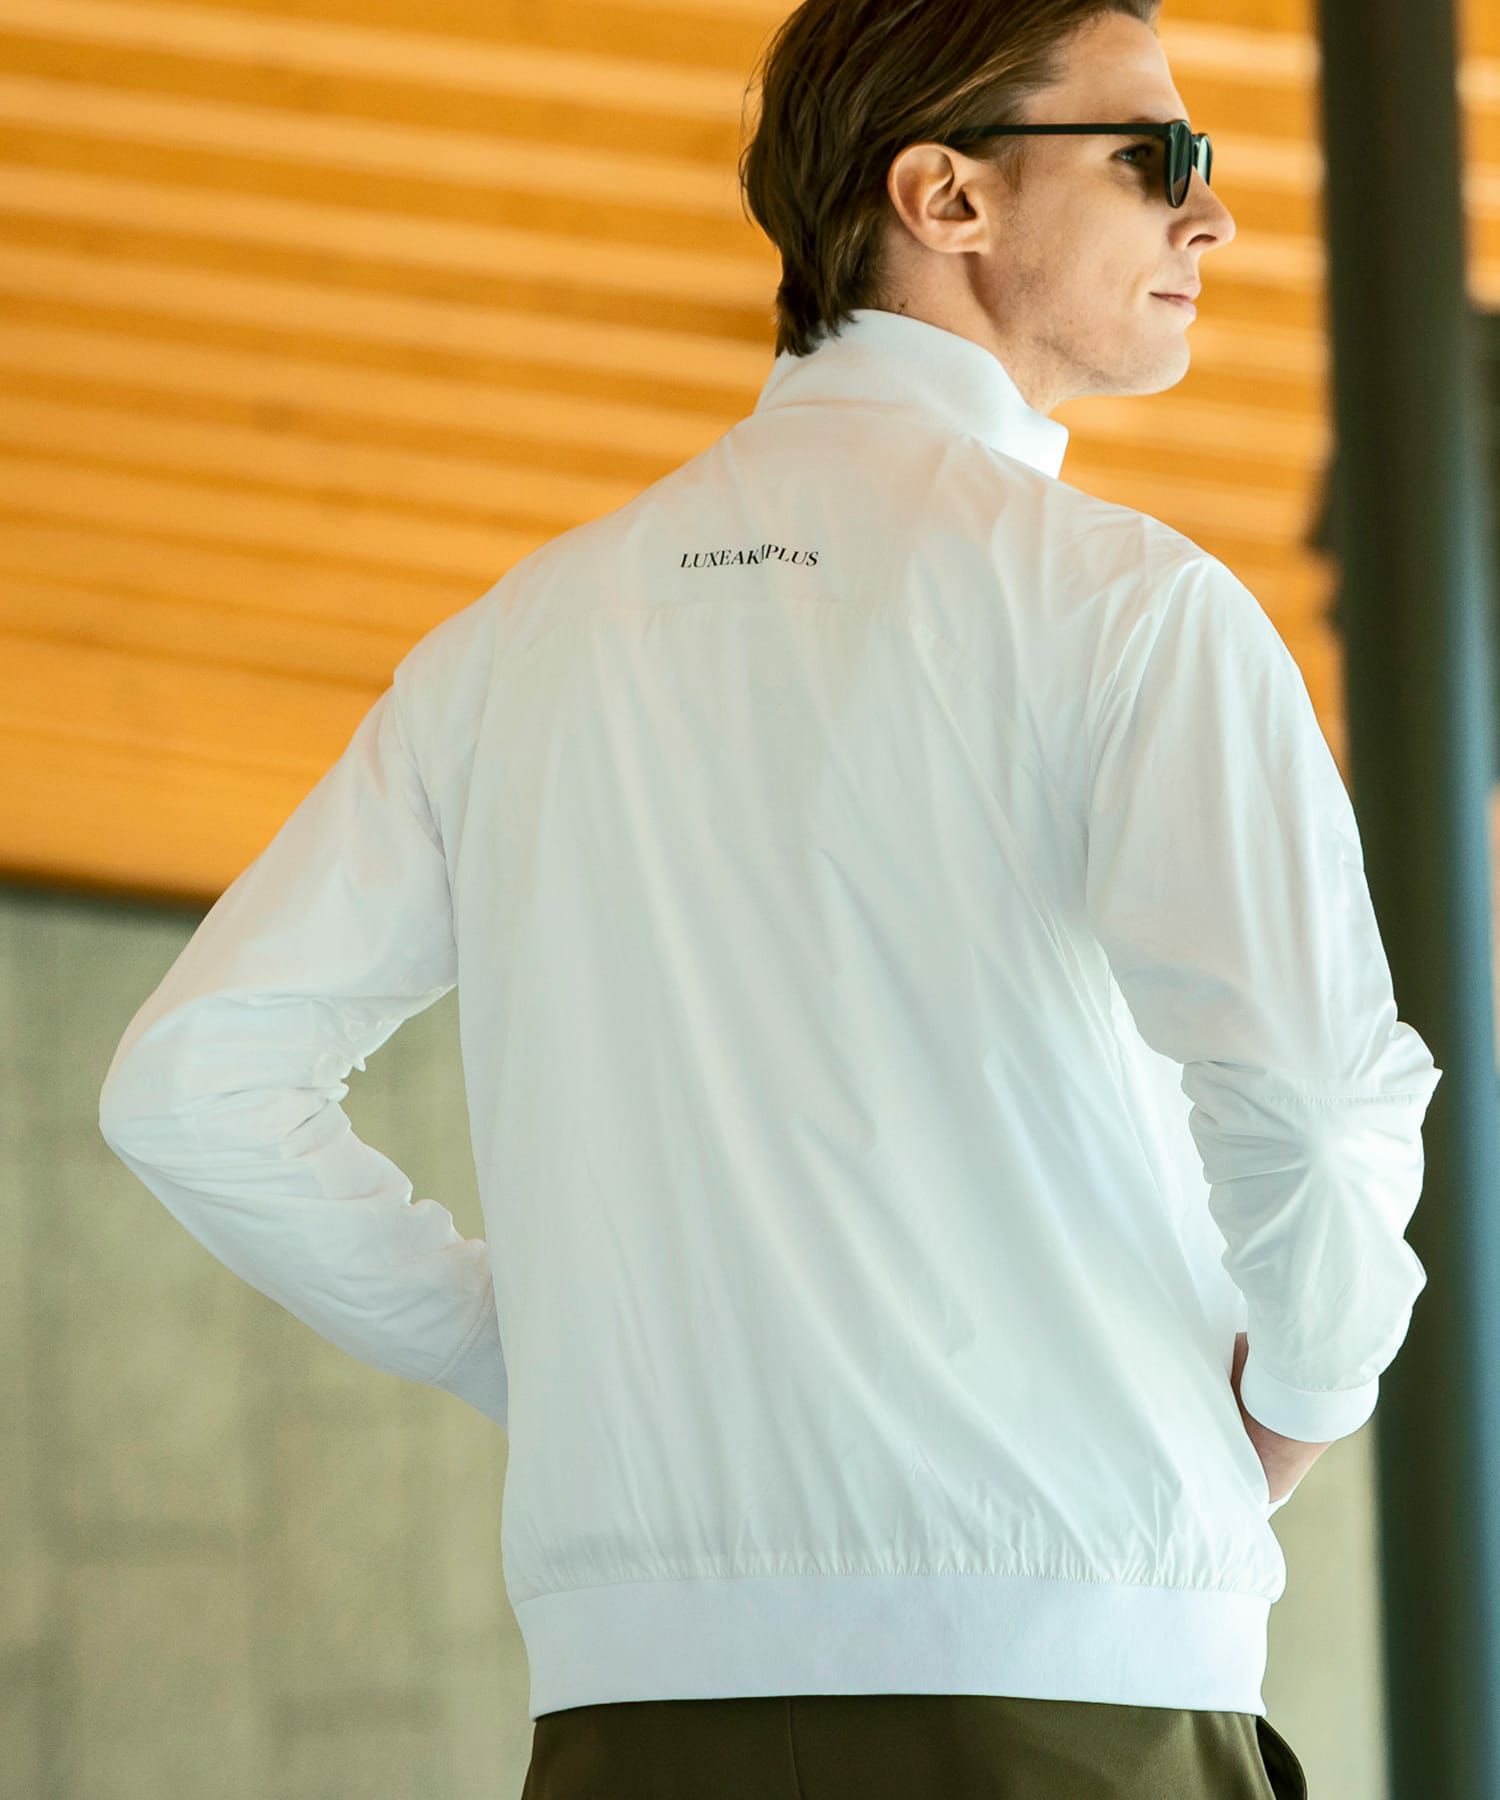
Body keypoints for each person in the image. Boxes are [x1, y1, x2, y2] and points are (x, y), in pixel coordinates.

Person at [98, 1, 1441, 1795]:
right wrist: (1309, 1392)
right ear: (946, 196)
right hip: (1075, 1676)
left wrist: (529, 1348)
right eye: (1159, 155)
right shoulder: (1126, 607)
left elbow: (192, 1087)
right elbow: (1317, 1106)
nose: (1212, 212)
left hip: (630, 1702)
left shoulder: (513, 643)